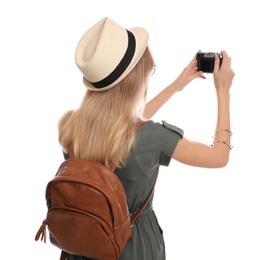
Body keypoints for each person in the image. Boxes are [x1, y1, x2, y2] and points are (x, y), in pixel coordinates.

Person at [58, 17, 235, 260]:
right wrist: (222, 91)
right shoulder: (152, 138)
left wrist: (177, 85)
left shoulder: (70, 126)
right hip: (133, 247)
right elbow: (219, 156)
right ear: (136, 79)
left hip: (83, 244)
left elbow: (127, 126)